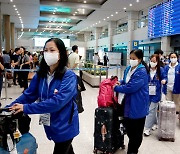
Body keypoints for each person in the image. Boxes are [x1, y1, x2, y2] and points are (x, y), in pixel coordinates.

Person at [8, 38, 79, 154]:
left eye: (52, 50)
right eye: (46, 50)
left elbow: (58, 102)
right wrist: (10, 107)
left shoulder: (69, 76)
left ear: (60, 54)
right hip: (50, 123)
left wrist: (26, 108)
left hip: (65, 124)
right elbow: (29, 95)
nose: (48, 53)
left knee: (62, 148)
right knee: (68, 151)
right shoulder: (41, 74)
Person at [114, 49, 149, 154]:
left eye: (134, 59)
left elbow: (131, 87)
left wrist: (116, 88)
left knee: (136, 133)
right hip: (127, 103)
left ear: (140, 59)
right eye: (130, 58)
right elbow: (125, 80)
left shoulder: (141, 71)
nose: (131, 60)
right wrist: (119, 82)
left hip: (137, 104)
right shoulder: (129, 68)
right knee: (129, 128)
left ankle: (133, 151)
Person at [144, 54, 166, 136]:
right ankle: (155, 123)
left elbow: (164, 77)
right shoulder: (147, 70)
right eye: (151, 61)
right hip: (147, 93)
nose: (152, 63)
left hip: (156, 94)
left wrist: (164, 80)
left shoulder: (161, 70)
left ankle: (147, 128)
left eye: (154, 61)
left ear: (157, 62)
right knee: (152, 110)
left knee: (151, 110)